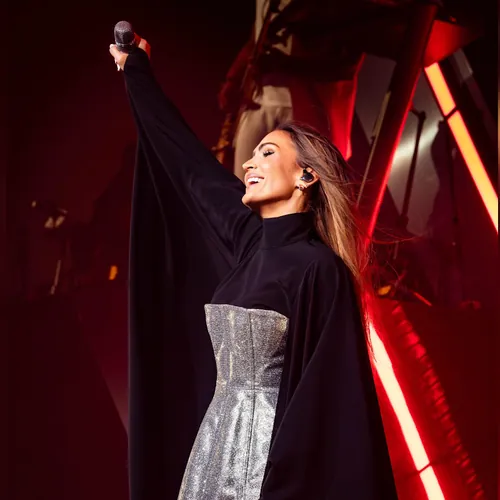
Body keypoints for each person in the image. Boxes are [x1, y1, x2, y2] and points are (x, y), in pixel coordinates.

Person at [109, 36, 397, 500]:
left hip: (270, 474)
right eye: (254, 153)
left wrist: (278, 483)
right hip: (210, 456)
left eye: (267, 153)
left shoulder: (320, 270)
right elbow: (188, 164)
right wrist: (137, 72)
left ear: (306, 175)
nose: (248, 162)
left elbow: (328, 402)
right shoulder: (248, 243)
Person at [217, 0, 364, 180]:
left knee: (304, 192)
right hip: (259, 102)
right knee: (245, 189)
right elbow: (258, 31)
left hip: (311, 109)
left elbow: (347, 64)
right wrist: (234, 79)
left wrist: (284, 65)